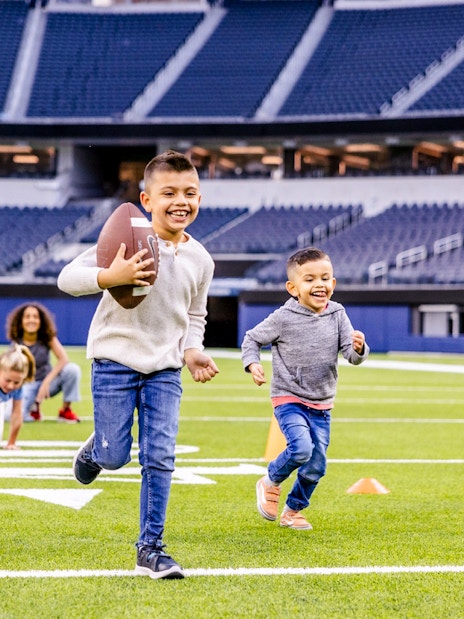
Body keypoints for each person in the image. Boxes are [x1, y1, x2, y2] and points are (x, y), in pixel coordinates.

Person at [57, 150, 219, 579]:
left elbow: (195, 314)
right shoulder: (125, 239)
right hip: (115, 358)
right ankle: (95, 450)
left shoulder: (201, 259)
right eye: (169, 193)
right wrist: (111, 275)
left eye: (191, 192)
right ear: (147, 199)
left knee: (160, 456)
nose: (181, 201)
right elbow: (66, 279)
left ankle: (150, 548)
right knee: (114, 457)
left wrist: (191, 350)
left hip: (165, 367)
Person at [241, 247, 369, 530]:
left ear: (333, 284)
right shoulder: (283, 318)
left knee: (316, 466)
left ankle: (293, 510)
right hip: (289, 399)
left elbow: (351, 354)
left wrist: (359, 348)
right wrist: (253, 364)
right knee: (300, 449)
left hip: (322, 404)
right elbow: (251, 339)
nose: (319, 284)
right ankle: (270, 480)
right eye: (309, 279)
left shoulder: (337, 314)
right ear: (293, 288)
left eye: (325, 278)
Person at [6, 302, 81, 423]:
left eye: (35, 317)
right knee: (10, 416)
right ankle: (32, 409)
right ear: (21, 321)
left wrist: (46, 382)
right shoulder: (16, 343)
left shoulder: (47, 337)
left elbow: (63, 359)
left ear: (41, 321)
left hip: (48, 384)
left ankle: (65, 411)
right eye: (27, 317)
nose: (32, 320)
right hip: (27, 385)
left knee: (72, 370)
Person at [0, 344, 36, 450]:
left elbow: (16, 414)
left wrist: (11, 442)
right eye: (7, 380)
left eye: (16, 382)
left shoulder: (18, 388)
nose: (11, 386)